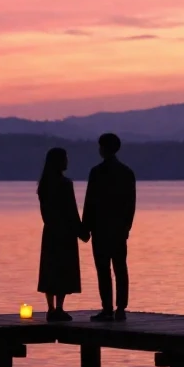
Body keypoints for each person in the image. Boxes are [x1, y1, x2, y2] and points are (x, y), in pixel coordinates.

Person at [82, 133, 136, 321]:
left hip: (101, 229)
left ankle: (107, 308)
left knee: (103, 269)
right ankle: (120, 308)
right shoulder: (126, 172)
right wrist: (126, 227)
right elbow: (131, 204)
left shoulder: (96, 172)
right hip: (118, 230)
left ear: (104, 148)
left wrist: (85, 227)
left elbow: (90, 202)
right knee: (120, 268)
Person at [36, 147, 86, 321]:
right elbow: (71, 211)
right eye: (65, 158)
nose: (67, 161)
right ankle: (59, 308)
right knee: (63, 268)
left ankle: (50, 308)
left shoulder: (43, 185)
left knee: (50, 268)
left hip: (50, 231)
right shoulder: (65, 184)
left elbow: (46, 212)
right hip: (65, 232)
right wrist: (81, 231)